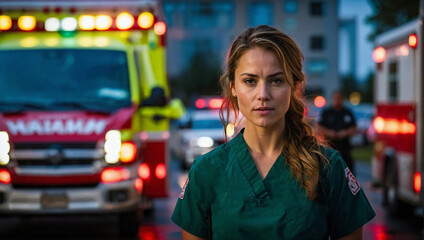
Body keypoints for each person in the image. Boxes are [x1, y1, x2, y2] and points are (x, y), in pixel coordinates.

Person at [172, 25, 375, 240]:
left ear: (294, 87)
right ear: (233, 86)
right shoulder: (206, 171)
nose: (263, 94)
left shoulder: (328, 167)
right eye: (250, 81)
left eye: (276, 80)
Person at [319, 91, 357, 174]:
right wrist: (330, 133)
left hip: (345, 150)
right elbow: (320, 127)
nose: (337, 100)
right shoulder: (327, 112)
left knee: (348, 174)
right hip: (330, 149)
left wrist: (345, 133)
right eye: (335, 98)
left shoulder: (347, 112)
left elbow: (354, 128)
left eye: (339, 98)